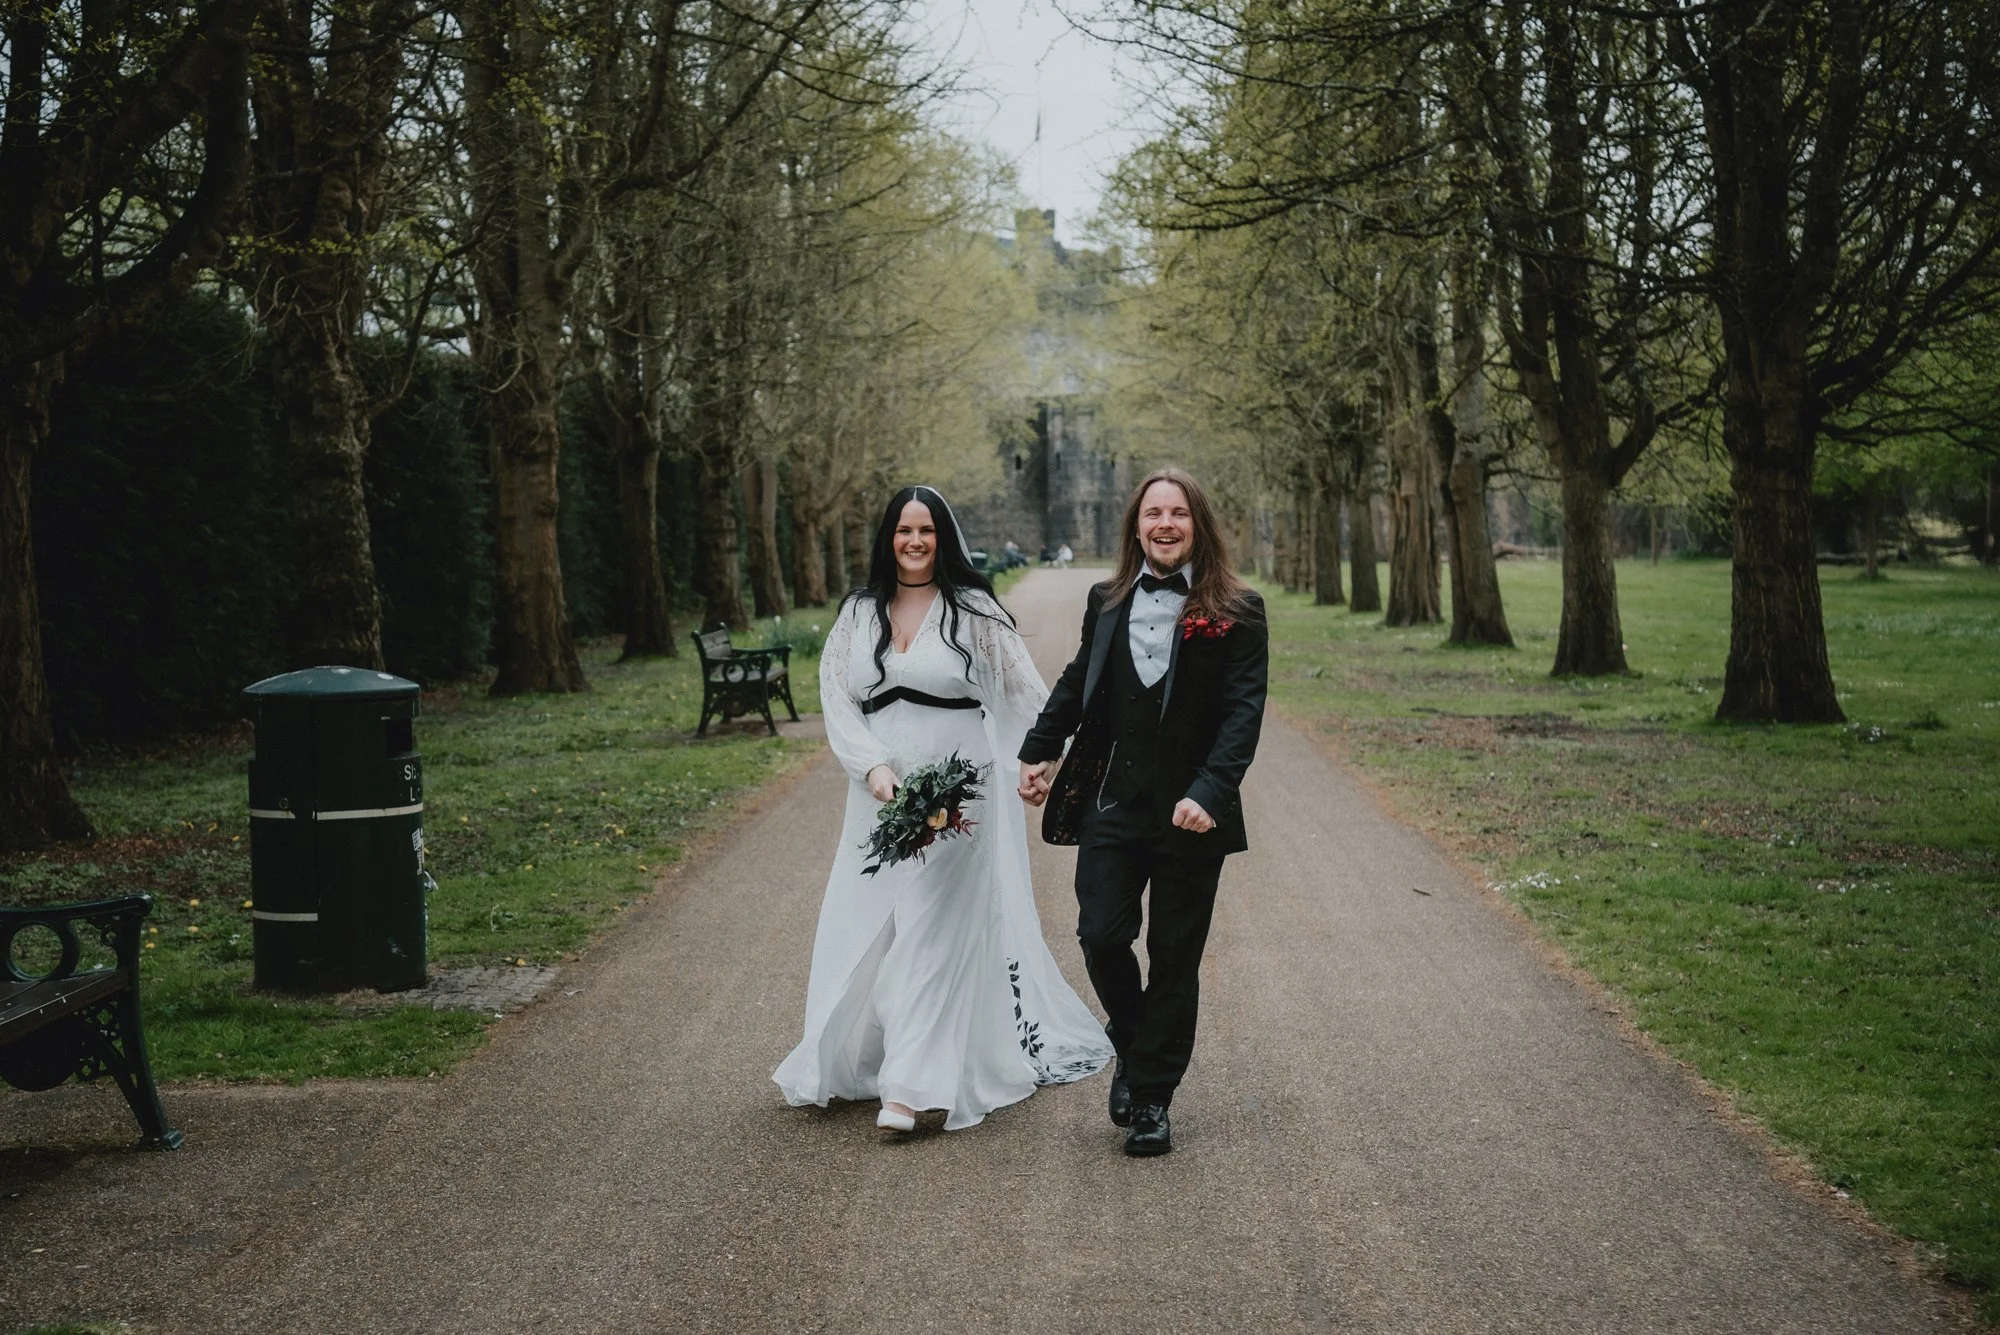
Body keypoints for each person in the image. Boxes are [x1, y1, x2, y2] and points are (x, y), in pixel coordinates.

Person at [774, 486, 1112, 1132]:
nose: (915, 541)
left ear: (944, 537)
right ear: (888, 538)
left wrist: (1041, 761)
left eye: (927, 530)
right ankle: (861, 1053)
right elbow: (836, 698)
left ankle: (911, 1085)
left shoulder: (974, 612)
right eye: (904, 530)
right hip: (876, 794)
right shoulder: (860, 614)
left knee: (937, 928)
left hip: (961, 795)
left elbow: (1026, 694)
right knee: (870, 923)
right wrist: (871, 766)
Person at [1017, 468, 1268, 1156]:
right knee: (1100, 935)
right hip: (1112, 801)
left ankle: (1153, 1096)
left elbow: (1243, 715)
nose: (1164, 523)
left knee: (1175, 958)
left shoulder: (1240, 609)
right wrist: (1037, 749)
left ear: (1197, 524)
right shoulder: (1106, 599)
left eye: (1177, 513)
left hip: (1192, 814)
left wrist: (1210, 792)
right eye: (1153, 512)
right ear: (1136, 525)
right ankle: (1131, 1041)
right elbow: (1079, 682)